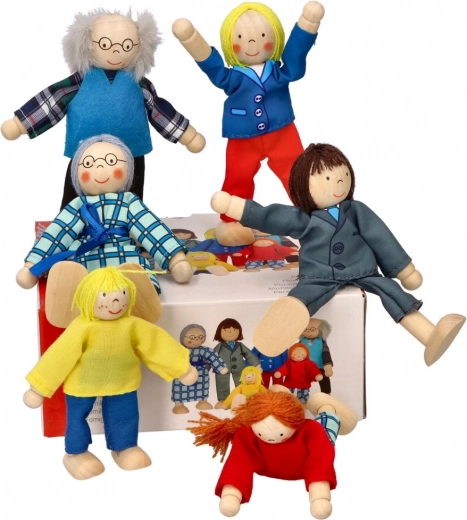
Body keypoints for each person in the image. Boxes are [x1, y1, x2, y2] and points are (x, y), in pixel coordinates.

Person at [210, 142, 466, 366]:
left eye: (342, 175)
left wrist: (404, 270)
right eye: (327, 179)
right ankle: (279, 328)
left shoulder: (357, 210)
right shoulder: (305, 218)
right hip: (319, 274)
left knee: (392, 291)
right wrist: (235, 206)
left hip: (362, 268)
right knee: (302, 298)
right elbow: (272, 216)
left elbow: (381, 237)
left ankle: (429, 336)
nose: (339, 183)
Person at [1, 9, 205, 208]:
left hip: (131, 153)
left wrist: (186, 135)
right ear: (86, 44)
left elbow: (158, 109)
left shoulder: (137, 82)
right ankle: (70, 223)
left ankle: (130, 224)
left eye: (126, 45)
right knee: (75, 200)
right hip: (85, 154)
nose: (116, 51)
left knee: (131, 202)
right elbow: (52, 100)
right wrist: (21, 124)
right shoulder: (80, 80)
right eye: (106, 44)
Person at [23, 267, 198, 480]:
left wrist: (181, 367)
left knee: (124, 415)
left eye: (122, 295)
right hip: (83, 384)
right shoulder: (82, 327)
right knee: (77, 418)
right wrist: (39, 388)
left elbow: (156, 344)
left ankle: (124, 447)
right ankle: (75, 453)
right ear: (88, 297)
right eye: (106, 296)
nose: (116, 303)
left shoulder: (132, 325)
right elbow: (59, 356)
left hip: (122, 381)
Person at [172, 2, 324, 245]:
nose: (252, 43)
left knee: (297, 172)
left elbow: (295, 57)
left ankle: (316, 214)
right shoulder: (233, 77)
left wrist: (308, 25)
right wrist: (191, 39)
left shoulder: (278, 72)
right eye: (241, 38)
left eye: (262, 36)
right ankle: (232, 221)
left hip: (282, 132)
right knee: (237, 176)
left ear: (274, 38)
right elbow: (214, 68)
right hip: (243, 135)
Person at [16, 134, 192, 295]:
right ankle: (76, 296)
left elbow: (150, 228)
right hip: (86, 255)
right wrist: (32, 266)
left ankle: (138, 297)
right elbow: (58, 233)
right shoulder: (78, 205)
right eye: (88, 164)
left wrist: (176, 260)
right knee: (74, 272)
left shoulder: (128, 201)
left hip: (124, 256)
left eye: (111, 161)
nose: (100, 166)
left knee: (135, 270)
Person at [188, 389, 358, 518]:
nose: (270, 438)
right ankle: (283, 393)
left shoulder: (311, 431)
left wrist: (320, 497)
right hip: (270, 466)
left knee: (326, 427)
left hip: (304, 460)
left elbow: (320, 459)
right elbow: (238, 462)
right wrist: (231, 494)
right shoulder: (248, 434)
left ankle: (326, 406)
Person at [171, 324, 228, 414]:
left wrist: (221, 367)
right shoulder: (179, 350)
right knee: (179, 387)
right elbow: (170, 359)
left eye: (200, 337)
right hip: (184, 371)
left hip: (200, 372)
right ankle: (179, 404)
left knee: (202, 386)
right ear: (183, 338)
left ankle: (202, 401)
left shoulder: (203, 350)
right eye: (192, 337)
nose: (197, 340)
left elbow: (212, 356)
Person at [213, 318, 261, 408]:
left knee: (242, 383)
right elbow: (212, 356)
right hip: (222, 368)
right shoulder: (220, 346)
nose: (230, 332)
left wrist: (256, 365)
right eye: (226, 330)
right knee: (222, 383)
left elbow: (249, 354)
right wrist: (206, 367)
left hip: (240, 368)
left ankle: (243, 398)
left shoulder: (240, 345)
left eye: (234, 330)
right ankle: (223, 400)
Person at [299, 318, 334, 394]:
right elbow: (296, 352)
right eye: (305, 330)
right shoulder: (302, 341)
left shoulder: (321, 341)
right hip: (305, 366)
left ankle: (326, 394)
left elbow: (326, 353)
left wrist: (327, 365)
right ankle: (302, 396)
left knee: (324, 380)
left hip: (319, 366)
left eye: (312, 329)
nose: (308, 332)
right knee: (302, 381)